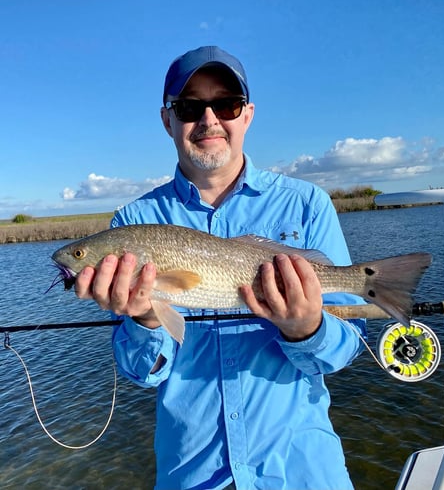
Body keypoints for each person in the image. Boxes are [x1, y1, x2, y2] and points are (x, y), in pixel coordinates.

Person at [75, 45, 366, 490]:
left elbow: (343, 350)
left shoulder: (307, 204)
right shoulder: (131, 223)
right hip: (192, 475)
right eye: (190, 107)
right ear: (167, 120)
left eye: (226, 104)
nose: (209, 120)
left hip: (303, 471)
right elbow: (141, 373)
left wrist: (307, 328)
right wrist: (148, 316)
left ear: (246, 115)